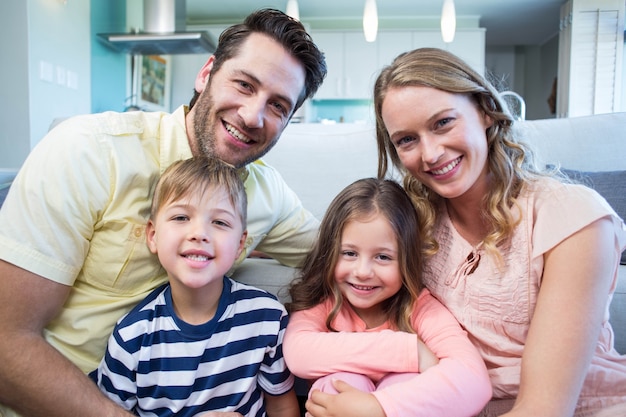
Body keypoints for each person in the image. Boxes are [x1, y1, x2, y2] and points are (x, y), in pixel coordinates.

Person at [0, 8, 326, 417]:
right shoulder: (88, 151)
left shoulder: (265, 193)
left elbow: (343, 255)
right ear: (207, 73)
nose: (252, 115)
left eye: (278, 106)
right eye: (244, 84)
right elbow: (6, 341)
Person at [369, 48, 626, 416]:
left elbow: (543, 409)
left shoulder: (573, 217)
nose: (430, 154)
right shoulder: (413, 221)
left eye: (443, 123)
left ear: (485, 111)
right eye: (407, 140)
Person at [90, 157, 299, 417]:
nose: (199, 233)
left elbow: (280, 404)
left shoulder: (267, 317)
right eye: (181, 217)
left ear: (240, 245)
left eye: (220, 222)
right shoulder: (131, 338)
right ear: (153, 236)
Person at [283, 177, 492, 417]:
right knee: (341, 382)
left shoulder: (419, 307)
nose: (362, 272)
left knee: (405, 380)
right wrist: (410, 350)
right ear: (329, 252)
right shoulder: (323, 300)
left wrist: (379, 409)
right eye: (349, 253)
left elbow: (474, 381)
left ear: (407, 259)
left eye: (383, 257)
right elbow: (299, 353)